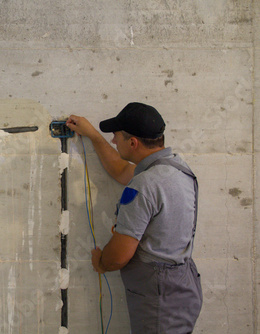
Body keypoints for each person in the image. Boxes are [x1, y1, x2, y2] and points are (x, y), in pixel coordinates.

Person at [66, 102, 203, 334]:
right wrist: (92, 135)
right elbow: (121, 170)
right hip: (182, 287)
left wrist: (101, 262)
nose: (112, 140)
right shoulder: (176, 169)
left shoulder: (144, 185)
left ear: (133, 143)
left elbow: (119, 256)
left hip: (159, 297)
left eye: (116, 136)